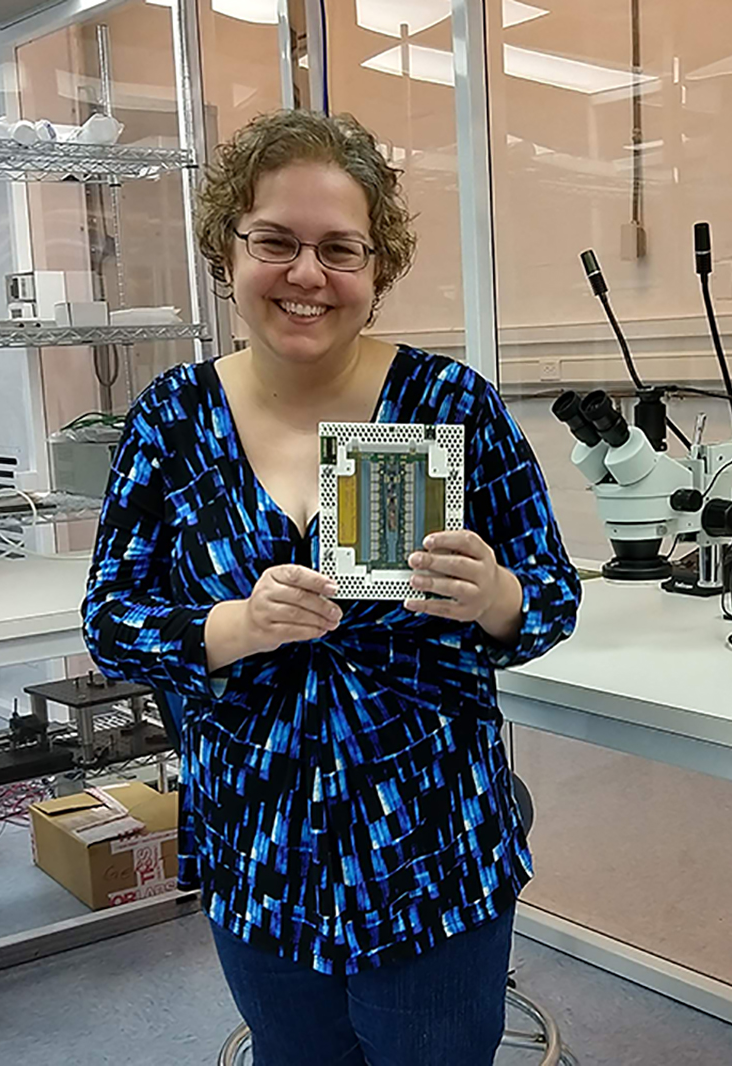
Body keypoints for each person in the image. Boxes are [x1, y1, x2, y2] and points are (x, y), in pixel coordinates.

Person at [82, 109, 580, 1066]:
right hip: (258, 842)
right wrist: (235, 624)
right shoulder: (172, 423)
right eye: (276, 240)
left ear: (376, 269)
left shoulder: (450, 406)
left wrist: (495, 596)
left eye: (339, 249)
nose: (307, 274)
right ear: (228, 249)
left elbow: (552, 597)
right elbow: (113, 621)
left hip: (429, 846)